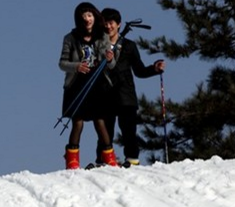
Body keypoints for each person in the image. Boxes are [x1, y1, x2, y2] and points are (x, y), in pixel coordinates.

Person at [97, 8, 166, 166]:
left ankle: (132, 160)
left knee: (129, 131)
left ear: (118, 24)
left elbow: (139, 70)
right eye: (105, 23)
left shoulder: (129, 46)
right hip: (104, 95)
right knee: (104, 131)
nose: (108, 26)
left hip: (125, 95)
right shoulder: (98, 45)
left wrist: (154, 69)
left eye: (111, 23)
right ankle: (103, 161)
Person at [59, 2, 117, 169]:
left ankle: (110, 157)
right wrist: (76, 66)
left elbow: (111, 65)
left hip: (96, 83)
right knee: (77, 121)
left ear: (94, 17)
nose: (87, 19)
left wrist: (110, 58)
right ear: (79, 19)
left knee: (100, 120)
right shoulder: (70, 38)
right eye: (83, 17)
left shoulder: (102, 36)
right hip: (76, 83)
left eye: (89, 15)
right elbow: (62, 63)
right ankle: (72, 159)